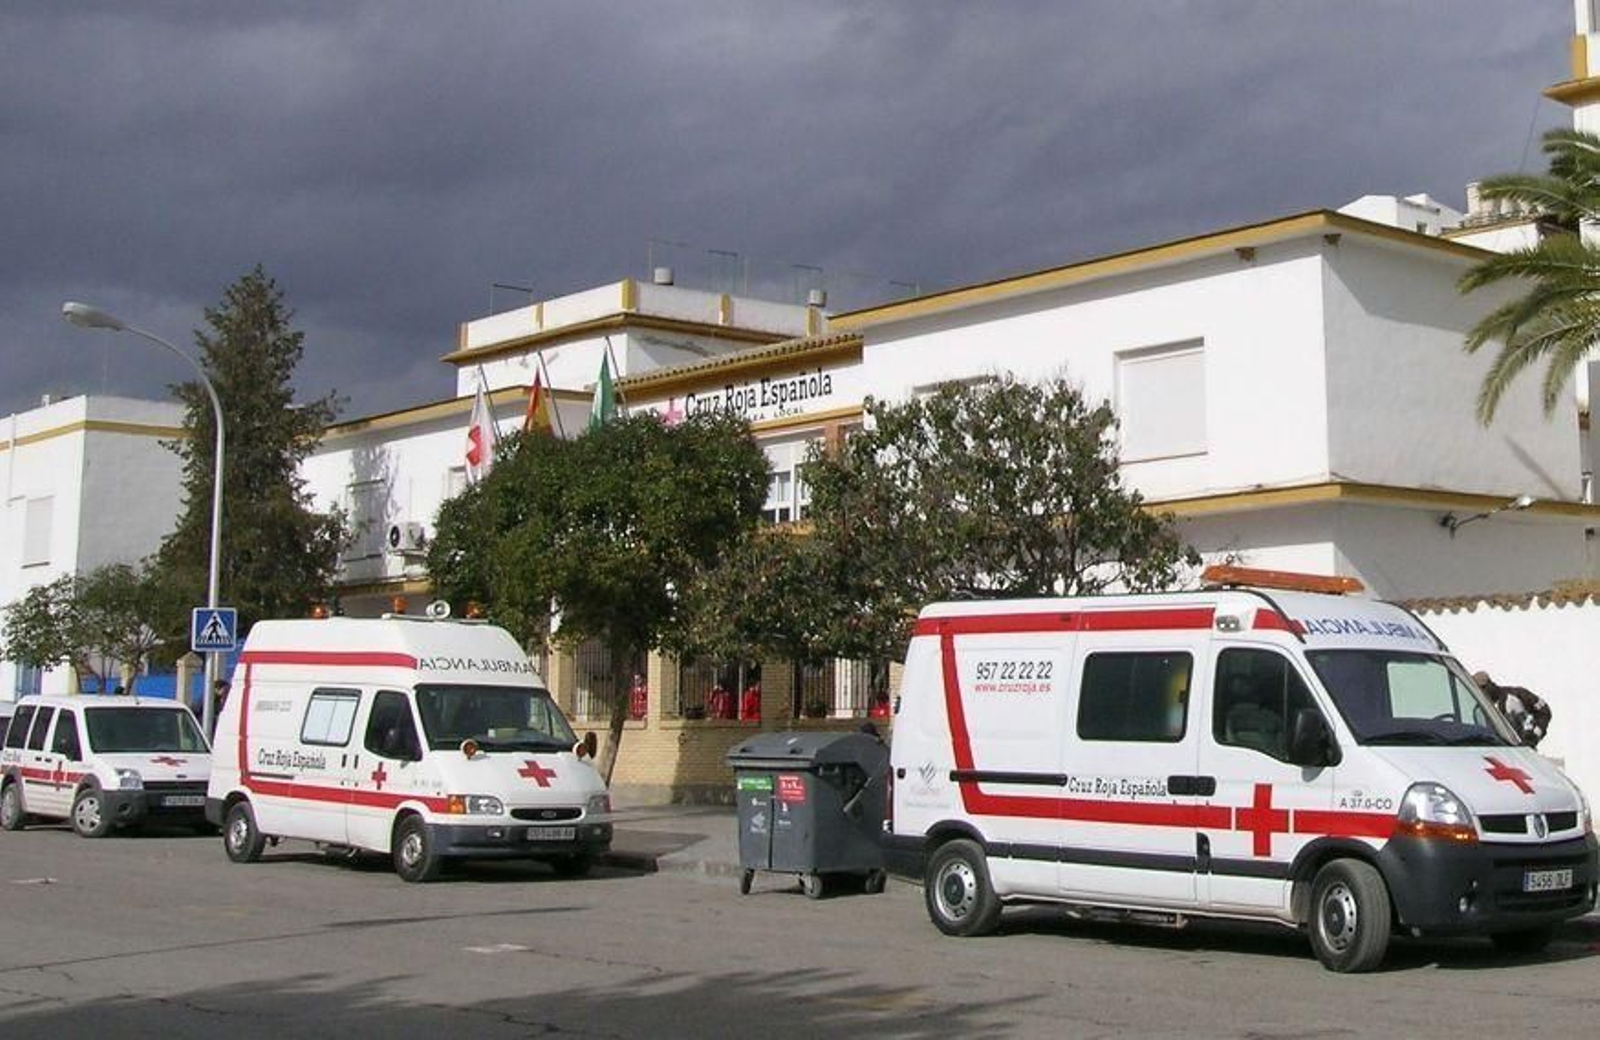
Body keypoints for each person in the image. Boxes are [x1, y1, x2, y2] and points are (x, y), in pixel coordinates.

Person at [1473, 671, 1552, 748]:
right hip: (1497, 752)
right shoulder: (1479, 709)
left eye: (1483, 688)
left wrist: (1536, 733)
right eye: (1479, 690)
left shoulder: (1518, 694)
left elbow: (1545, 711)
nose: (1482, 692)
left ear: (1490, 684)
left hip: (1524, 751)